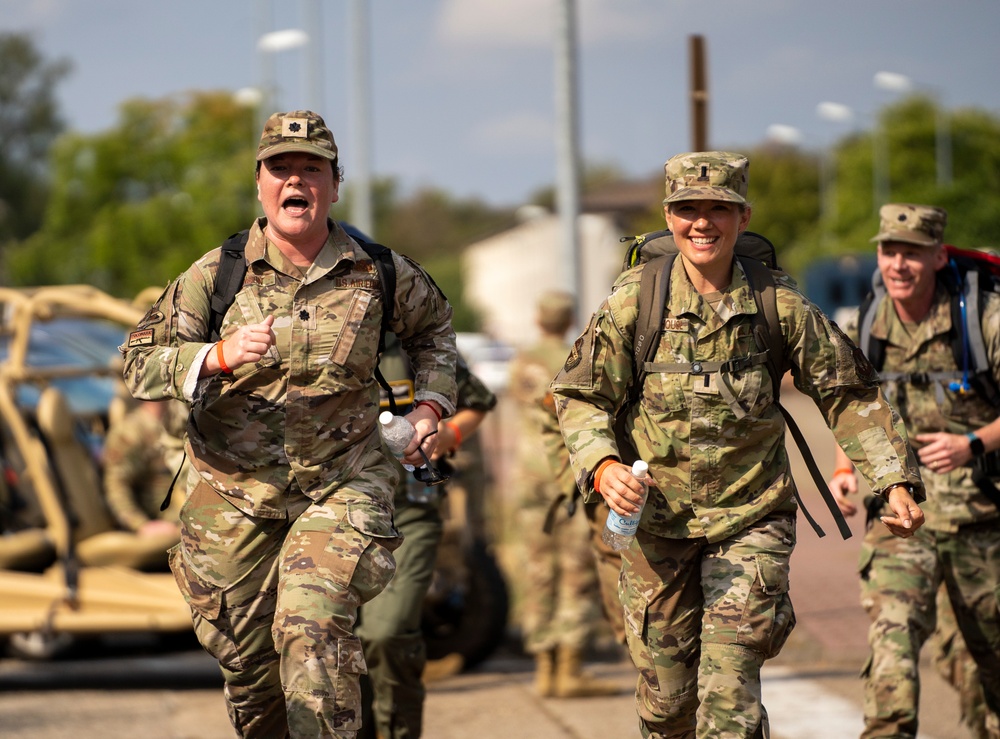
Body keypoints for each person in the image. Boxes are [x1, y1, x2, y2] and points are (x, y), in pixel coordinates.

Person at [550, 151, 926, 738]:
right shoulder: (635, 303)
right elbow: (579, 395)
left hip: (751, 520)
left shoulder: (780, 305)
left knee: (729, 698)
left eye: (718, 209)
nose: (703, 223)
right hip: (656, 525)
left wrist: (893, 479)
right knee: (667, 708)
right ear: (669, 218)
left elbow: (849, 394)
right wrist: (601, 464)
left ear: (743, 216)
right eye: (688, 209)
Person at [120, 110, 458, 738]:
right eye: (281, 168)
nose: (295, 180)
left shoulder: (379, 271)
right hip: (233, 495)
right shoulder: (215, 275)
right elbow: (137, 364)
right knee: (250, 675)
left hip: (343, 485)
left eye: (311, 168)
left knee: (313, 630)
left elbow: (436, 332)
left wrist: (431, 406)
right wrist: (214, 356)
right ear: (259, 184)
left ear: (334, 184)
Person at [828, 203, 1000, 739]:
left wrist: (972, 442)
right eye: (888, 251)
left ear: (938, 255)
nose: (898, 264)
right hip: (900, 515)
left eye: (912, 252)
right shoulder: (865, 323)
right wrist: (844, 472)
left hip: (981, 521)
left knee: (988, 666)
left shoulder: (985, 320)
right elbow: (848, 407)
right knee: (892, 646)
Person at [358, 340, 496, 739]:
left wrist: (446, 436)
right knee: (339, 639)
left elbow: (477, 401)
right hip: (333, 513)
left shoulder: (415, 346)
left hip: (407, 515)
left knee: (387, 632)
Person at [508, 289, 622, 698]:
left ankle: (544, 667)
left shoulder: (522, 361)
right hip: (570, 476)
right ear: (570, 318)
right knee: (577, 571)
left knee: (538, 571)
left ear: (540, 319)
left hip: (529, 478)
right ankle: (569, 669)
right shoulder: (579, 357)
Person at [102, 398, 188, 537]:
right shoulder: (130, 431)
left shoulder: (179, 422)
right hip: (168, 519)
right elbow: (117, 485)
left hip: (188, 511)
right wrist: (141, 525)